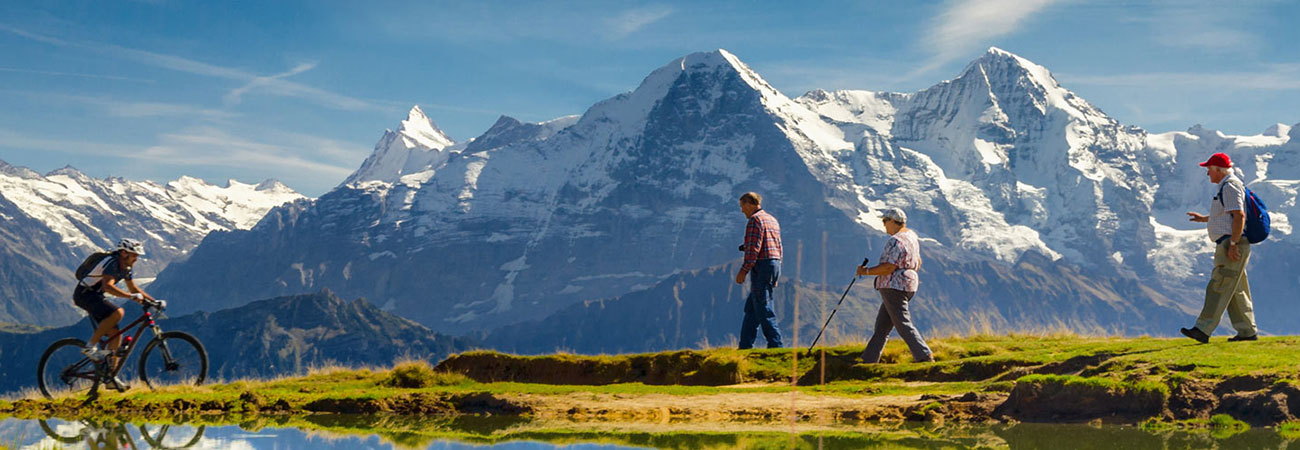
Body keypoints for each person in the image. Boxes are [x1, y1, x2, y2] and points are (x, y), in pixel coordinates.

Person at [1181, 152, 1257, 343]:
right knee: (1235, 289)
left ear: (1218, 170)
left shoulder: (1230, 186)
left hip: (1231, 244)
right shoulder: (1228, 186)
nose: (1208, 174)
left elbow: (1239, 216)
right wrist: (1205, 219)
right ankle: (1247, 332)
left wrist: (1233, 244)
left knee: (1219, 285)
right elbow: (1228, 215)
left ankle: (1203, 329)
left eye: (1209, 170)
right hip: (1230, 242)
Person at [74, 238, 161, 389]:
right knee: (118, 312)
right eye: (134, 255)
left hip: (95, 296)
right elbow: (107, 287)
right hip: (85, 294)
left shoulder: (126, 268)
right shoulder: (111, 263)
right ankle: (90, 346)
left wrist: (154, 302)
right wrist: (129, 297)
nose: (137, 258)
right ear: (123, 253)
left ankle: (110, 378)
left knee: (116, 335)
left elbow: (133, 288)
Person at [857, 208, 933, 363]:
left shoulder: (896, 241)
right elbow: (918, 262)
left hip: (893, 286)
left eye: (885, 221)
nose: (884, 225)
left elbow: (888, 267)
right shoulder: (912, 237)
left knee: (902, 323)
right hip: (909, 284)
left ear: (892, 221)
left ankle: (924, 355)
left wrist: (866, 271)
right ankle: (868, 360)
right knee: (882, 327)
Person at [734, 192, 784, 349]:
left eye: (742, 206)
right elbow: (778, 246)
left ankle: (776, 345)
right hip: (774, 263)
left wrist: (744, 270)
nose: (742, 211)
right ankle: (745, 346)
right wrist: (776, 273)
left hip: (762, 265)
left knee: (763, 306)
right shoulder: (772, 219)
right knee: (752, 308)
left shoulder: (755, 220)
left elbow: (754, 249)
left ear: (749, 204)